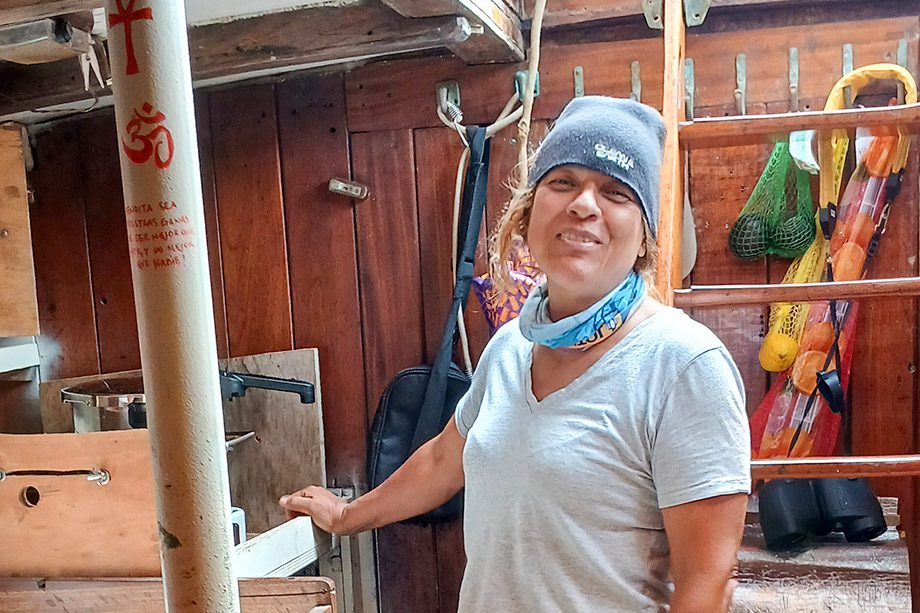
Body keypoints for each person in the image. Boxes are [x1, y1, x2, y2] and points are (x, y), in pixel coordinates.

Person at [280, 96, 751, 612]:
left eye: (616, 192)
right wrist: (348, 517)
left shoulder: (683, 365)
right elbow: (443, 458)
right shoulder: (511, 347)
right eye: (563, 182)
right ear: (527, 216)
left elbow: (707, 582)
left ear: (645, 239)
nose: (584, 205)